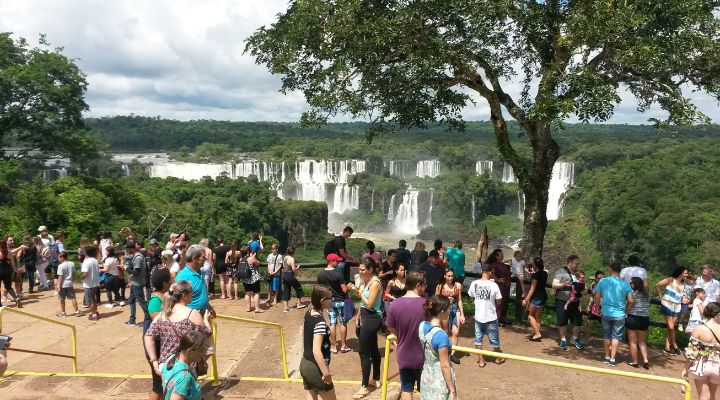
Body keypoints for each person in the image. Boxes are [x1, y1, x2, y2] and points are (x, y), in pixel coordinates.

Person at [144, 280, 213, 379]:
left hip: (166, 365)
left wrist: (154, 360)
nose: (192, 294)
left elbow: (148, 336)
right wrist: (206, 319)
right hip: (185, 366)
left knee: (169, 393)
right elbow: (207, 333)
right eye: (191, 292)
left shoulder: (163, 314)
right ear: (185, 295)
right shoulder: (192, 314)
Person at [386, 271, 426, 400]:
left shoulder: (395, 304)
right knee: (425, 390)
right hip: (423, 355)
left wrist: (400, 336)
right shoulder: (427, 304)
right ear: (418, 285)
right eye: (424, 285)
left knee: (406, 389)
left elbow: (390, 327)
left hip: (403, 354)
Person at [347, 259, 383, 399]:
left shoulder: (375, 283)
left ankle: (364, 387)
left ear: (371, 269)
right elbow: (363, 304)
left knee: (363, 351)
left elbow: (369, 303)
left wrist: (356, 291)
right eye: (359, 269)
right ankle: (376, 378)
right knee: (373, 348)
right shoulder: (367, 281)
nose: (359, 272)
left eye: (362, 269)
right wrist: (358, 316)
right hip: (365, 316)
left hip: (373, 317)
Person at [593, 261, 634, 367]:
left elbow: (597, 296)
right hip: (619, 314)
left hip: (606, 312)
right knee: (616, 337)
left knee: (606, 335)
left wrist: (598, 308)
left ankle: (606, 356)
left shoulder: (603, 281)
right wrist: (626, 311)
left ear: (610, 269)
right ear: (620, 271)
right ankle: (612, 359)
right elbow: (631, 300)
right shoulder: (625, 284)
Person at [300, 285, 337, 400]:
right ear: (322, 301)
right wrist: (325, 373)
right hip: (315, 367)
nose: (332, 300)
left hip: (305, 363)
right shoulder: (320, 322)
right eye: (330, 298)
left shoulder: (309, 312)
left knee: (311, 395)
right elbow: (316, 351)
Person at [419, 295, 457, 400]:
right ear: (441, 312)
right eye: (449, 308)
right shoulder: (441, 335)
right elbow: (444, 366)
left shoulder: (422, 326)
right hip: (439, 381)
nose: (450, 310)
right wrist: (452, 389)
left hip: (426, 375)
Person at [467, 264, 504, 367]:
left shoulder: (474, 283)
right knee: (494, 339)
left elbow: (471, 296)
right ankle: (497, 358)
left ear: (482, 271)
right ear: (490, 272)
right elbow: (499, 301)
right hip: (491, 316)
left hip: (478, 316)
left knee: (478, 338)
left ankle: (481, 360)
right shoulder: (494, 285)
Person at [683, 302, 720, 400]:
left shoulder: (699, 329)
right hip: (718, 366)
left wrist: (685, 368)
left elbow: (692, 353)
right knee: (712, 396)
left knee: (703, 396)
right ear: (718, 314)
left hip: (701, 366)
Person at [159, 330, 208, 400]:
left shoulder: (171, 359)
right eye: (201, 350)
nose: (204, 352)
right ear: (189, 351)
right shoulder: (185, 378)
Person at [146, 268, 172, 400]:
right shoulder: (155, 301)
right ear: (164, 283)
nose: (173, 281)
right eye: (170, 279)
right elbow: (159, 324)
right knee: (159, 386)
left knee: (166, 383)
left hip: (163, 345)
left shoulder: (165, 296)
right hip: (155, 346)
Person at [317, 254, 350, 354]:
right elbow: (344, 290)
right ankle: (343, 346)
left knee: (332, 323)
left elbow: (319, 289)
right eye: (337, 261)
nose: (338, 262)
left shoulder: (321, 274)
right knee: (343, 323)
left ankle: (333, 346)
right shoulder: (338, 274)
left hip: (329, 302)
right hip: (340, 301)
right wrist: (348, 286)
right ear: (331, 262)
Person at [552, 255, 585, 351]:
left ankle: (574, 339)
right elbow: (554, 284)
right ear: (570, 262)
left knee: (578, 321)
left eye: (578, 264)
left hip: (575, 302)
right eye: (576, 264)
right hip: (562, 300)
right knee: (562, 320)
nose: (577, 266)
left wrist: (583, 290)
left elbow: (582, 285)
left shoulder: (578, 273)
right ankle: (563, 339)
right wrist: (563, 284)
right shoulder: (561, 271)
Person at [656, 266, 689, 355]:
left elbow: (682, 294)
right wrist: (660, 297)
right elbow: (657, 285)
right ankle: (674, 345)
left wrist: (684, 299)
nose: (686, 274)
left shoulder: (683, 283)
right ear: (680, 272)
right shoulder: (671, 279)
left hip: (677, 306)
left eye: (687, 273)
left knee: (671, 328)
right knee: (671, 327)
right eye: (685, 273)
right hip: (667, 304)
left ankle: (667, 347)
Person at [175, 245, 214, 316]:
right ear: (194, 258)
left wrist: (209, 308)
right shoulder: (183, 276)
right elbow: (176, 301)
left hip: (203, 315)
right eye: (203, 257)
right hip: (190, 318)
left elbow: (200, 295)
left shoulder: (199, 272)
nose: (205, 259)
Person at [436, 268, 464, 364]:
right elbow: (436, 300)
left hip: (455, 310)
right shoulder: (440, 286)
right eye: (448, 276)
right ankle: (444, 352)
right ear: (444, 276)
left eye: (452, 276)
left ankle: (452, 354)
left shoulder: (458, 285)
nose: (450, 278)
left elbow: (459, 300)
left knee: (456, 332)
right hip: (444, 311)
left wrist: (462, 314)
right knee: (445, 332)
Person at [626, 276, 650, 369]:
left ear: (635, 284)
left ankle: (635, 362)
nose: (630, 284)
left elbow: (629, 306)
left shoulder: (632, 294)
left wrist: (625, 313)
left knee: (632, 342)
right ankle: (645, 360)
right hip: (644, 318)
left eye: (631, 283)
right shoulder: (647, 295)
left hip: (633, 318)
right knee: (642, 341)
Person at [522, 257, 548, 341]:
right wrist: (533, 274)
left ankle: (537, 334)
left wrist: (526, 300)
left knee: (530, 316)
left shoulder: (535, 275)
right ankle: (537, 333)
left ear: (535, 265)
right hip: (543, 296)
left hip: (536, 297)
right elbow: (539, 278)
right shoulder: (544, 273)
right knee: (537, 316)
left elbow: (532, 289)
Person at [125, 241, 150, 327]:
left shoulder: (138, 257)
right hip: (134, 282)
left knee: (142, 302)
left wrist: (126, 268)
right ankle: (132, 320)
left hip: (137, 283)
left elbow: (136, 272)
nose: (127, 251)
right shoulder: (134, 256)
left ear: (132, 248)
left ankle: (149, 320)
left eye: (127, 249)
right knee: (131, 301)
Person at [487, 248, 511, 326]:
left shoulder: (502, 264)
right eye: (501, 255)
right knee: (498, 303)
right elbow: (490, 273)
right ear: (497, 256)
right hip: (499, 287)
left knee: (504, 302)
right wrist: (497, 279)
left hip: (506, 286)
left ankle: (502, 317)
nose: (503, 256)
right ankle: (496, 319)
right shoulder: (494, 265)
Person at [583, 271, 605, 347]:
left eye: (602, 278)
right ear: (596, 278)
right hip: (595, 307)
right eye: (599, 278)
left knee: (606, 326)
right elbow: (592, 296)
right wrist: (589, 305)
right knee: (589, 323)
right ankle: (585, 340)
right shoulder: (593, 284)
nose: (601, 280)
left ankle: (609, 344)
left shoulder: (607, 286)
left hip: (604, 307)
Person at [56, 251, 81, 317]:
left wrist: (58, 286)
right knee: (73, 298)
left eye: (59, 258)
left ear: (62, 258)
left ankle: (63, 313)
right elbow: (73, 274)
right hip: (69, 284)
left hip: (63, 285)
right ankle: (77, 311)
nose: (58, 259)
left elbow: (60, 277)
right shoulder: (72, 263)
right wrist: (72, 280)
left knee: (62, 299)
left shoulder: (60, 266)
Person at [240, 246, 263, 313]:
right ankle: (257, 308)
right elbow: (258, 263)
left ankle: (248, 308)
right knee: (256, 293)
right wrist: (254, 256)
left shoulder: (241, 259)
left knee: (247, 293)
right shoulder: (251, 258)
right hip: (254, 278)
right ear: (248, 252)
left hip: (245, 279)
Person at [282, 246, 306, 312]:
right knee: (298, 288)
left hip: (285, 275)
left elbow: (284, 266)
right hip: (290, 275)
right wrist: (297, 267)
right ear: (293, 252)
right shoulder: (292, 259)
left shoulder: (285, 257)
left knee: (286, 290)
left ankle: (286, 308)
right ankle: (298, 304)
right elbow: (293, 269)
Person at [81, 246, 101, 320]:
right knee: (93, 299)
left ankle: (94, 314)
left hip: (89, 284)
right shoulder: (95, 260)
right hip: (95, 283)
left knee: (90, 301)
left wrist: (82, 278)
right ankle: (95, 312)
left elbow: (85, 274)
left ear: (87, 252)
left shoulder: (86, 262)